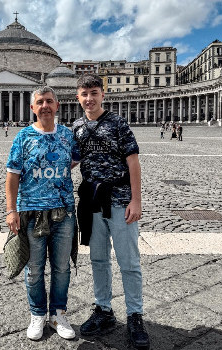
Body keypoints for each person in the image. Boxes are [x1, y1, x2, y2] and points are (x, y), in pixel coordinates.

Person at [72, 74, 149, 350]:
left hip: (120, 200)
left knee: (129, 262)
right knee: (98, 259)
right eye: (84, 94)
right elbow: (72, 160)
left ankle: (135, 316)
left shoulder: (118, 123)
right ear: (78, 97)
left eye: (94, 92)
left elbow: (133, 161)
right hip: (92, 202)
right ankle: (103, 310)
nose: (89, 98)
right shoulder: (77, 126)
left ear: (102, 94)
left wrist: (136, 200)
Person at [5, 86, 79, 341]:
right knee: (34, 269)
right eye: (40, 102)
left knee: (61, 268)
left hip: (64, 211)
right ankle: (37, 314)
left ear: (57, 106)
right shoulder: (22, 137)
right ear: (33, 108)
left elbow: (74, 160)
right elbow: (12, 175)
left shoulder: (68, 136)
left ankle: (57, 314)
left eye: (49, 101)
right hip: (31, 212)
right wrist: (11, 210)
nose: (45, 106)